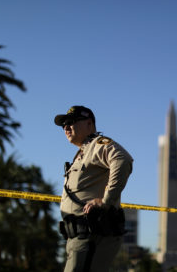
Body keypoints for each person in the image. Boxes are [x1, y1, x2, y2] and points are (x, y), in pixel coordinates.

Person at [54, 105, 133, 272]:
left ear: (89, 124)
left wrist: (105, 201)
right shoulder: (83, 151)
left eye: (72, 122)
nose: (66, 127)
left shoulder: (97, 145)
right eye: (64, 125)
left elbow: (123, 159)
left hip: (92, 235)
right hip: (78, 238)